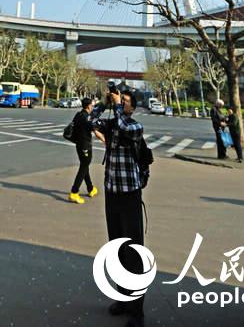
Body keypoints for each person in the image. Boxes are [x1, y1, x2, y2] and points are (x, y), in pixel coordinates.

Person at [90, 84, 147, 327]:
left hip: (130, 194)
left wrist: (116, 107)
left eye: (125, 100)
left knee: (133, 252)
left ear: (133, 107)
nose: (120, 102)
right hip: (112, 193)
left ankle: (137, 312)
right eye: (119, 99)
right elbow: (90, 120)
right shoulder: (113, 123)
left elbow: (124, 126)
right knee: (116, 248)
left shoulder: (134, 126)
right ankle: (122, 298)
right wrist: (104, 103)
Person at [69, 97, 99, 205]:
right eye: (93, 105)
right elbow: (96, 131)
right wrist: (105, 140)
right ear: (89, 106)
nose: (93, 106)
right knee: (84, 167)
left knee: (84, 165)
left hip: (79, 145)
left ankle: (90, 188)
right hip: (85, 146)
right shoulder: (86, 118)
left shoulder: (78, 114)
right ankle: (74, 192)